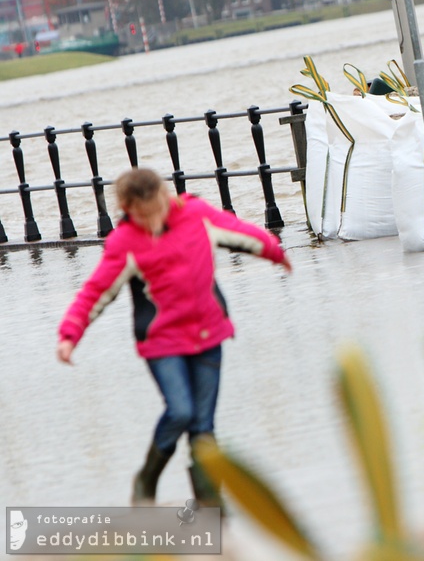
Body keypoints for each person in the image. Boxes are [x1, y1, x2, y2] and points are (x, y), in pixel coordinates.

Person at [56, 168, 292, 508]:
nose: (154, 221)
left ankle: (211, 505)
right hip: (163, 343)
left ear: (166, 196)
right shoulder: (124, 243)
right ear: (127, 208)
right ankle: (147, 479)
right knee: (181, 411)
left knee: (203, 427)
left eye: (159, 210)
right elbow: (95, 292)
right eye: (144, 215)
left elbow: (241, 232)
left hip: (209, 333)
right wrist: (69, 335)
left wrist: (276, 251)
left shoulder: (195, 214)